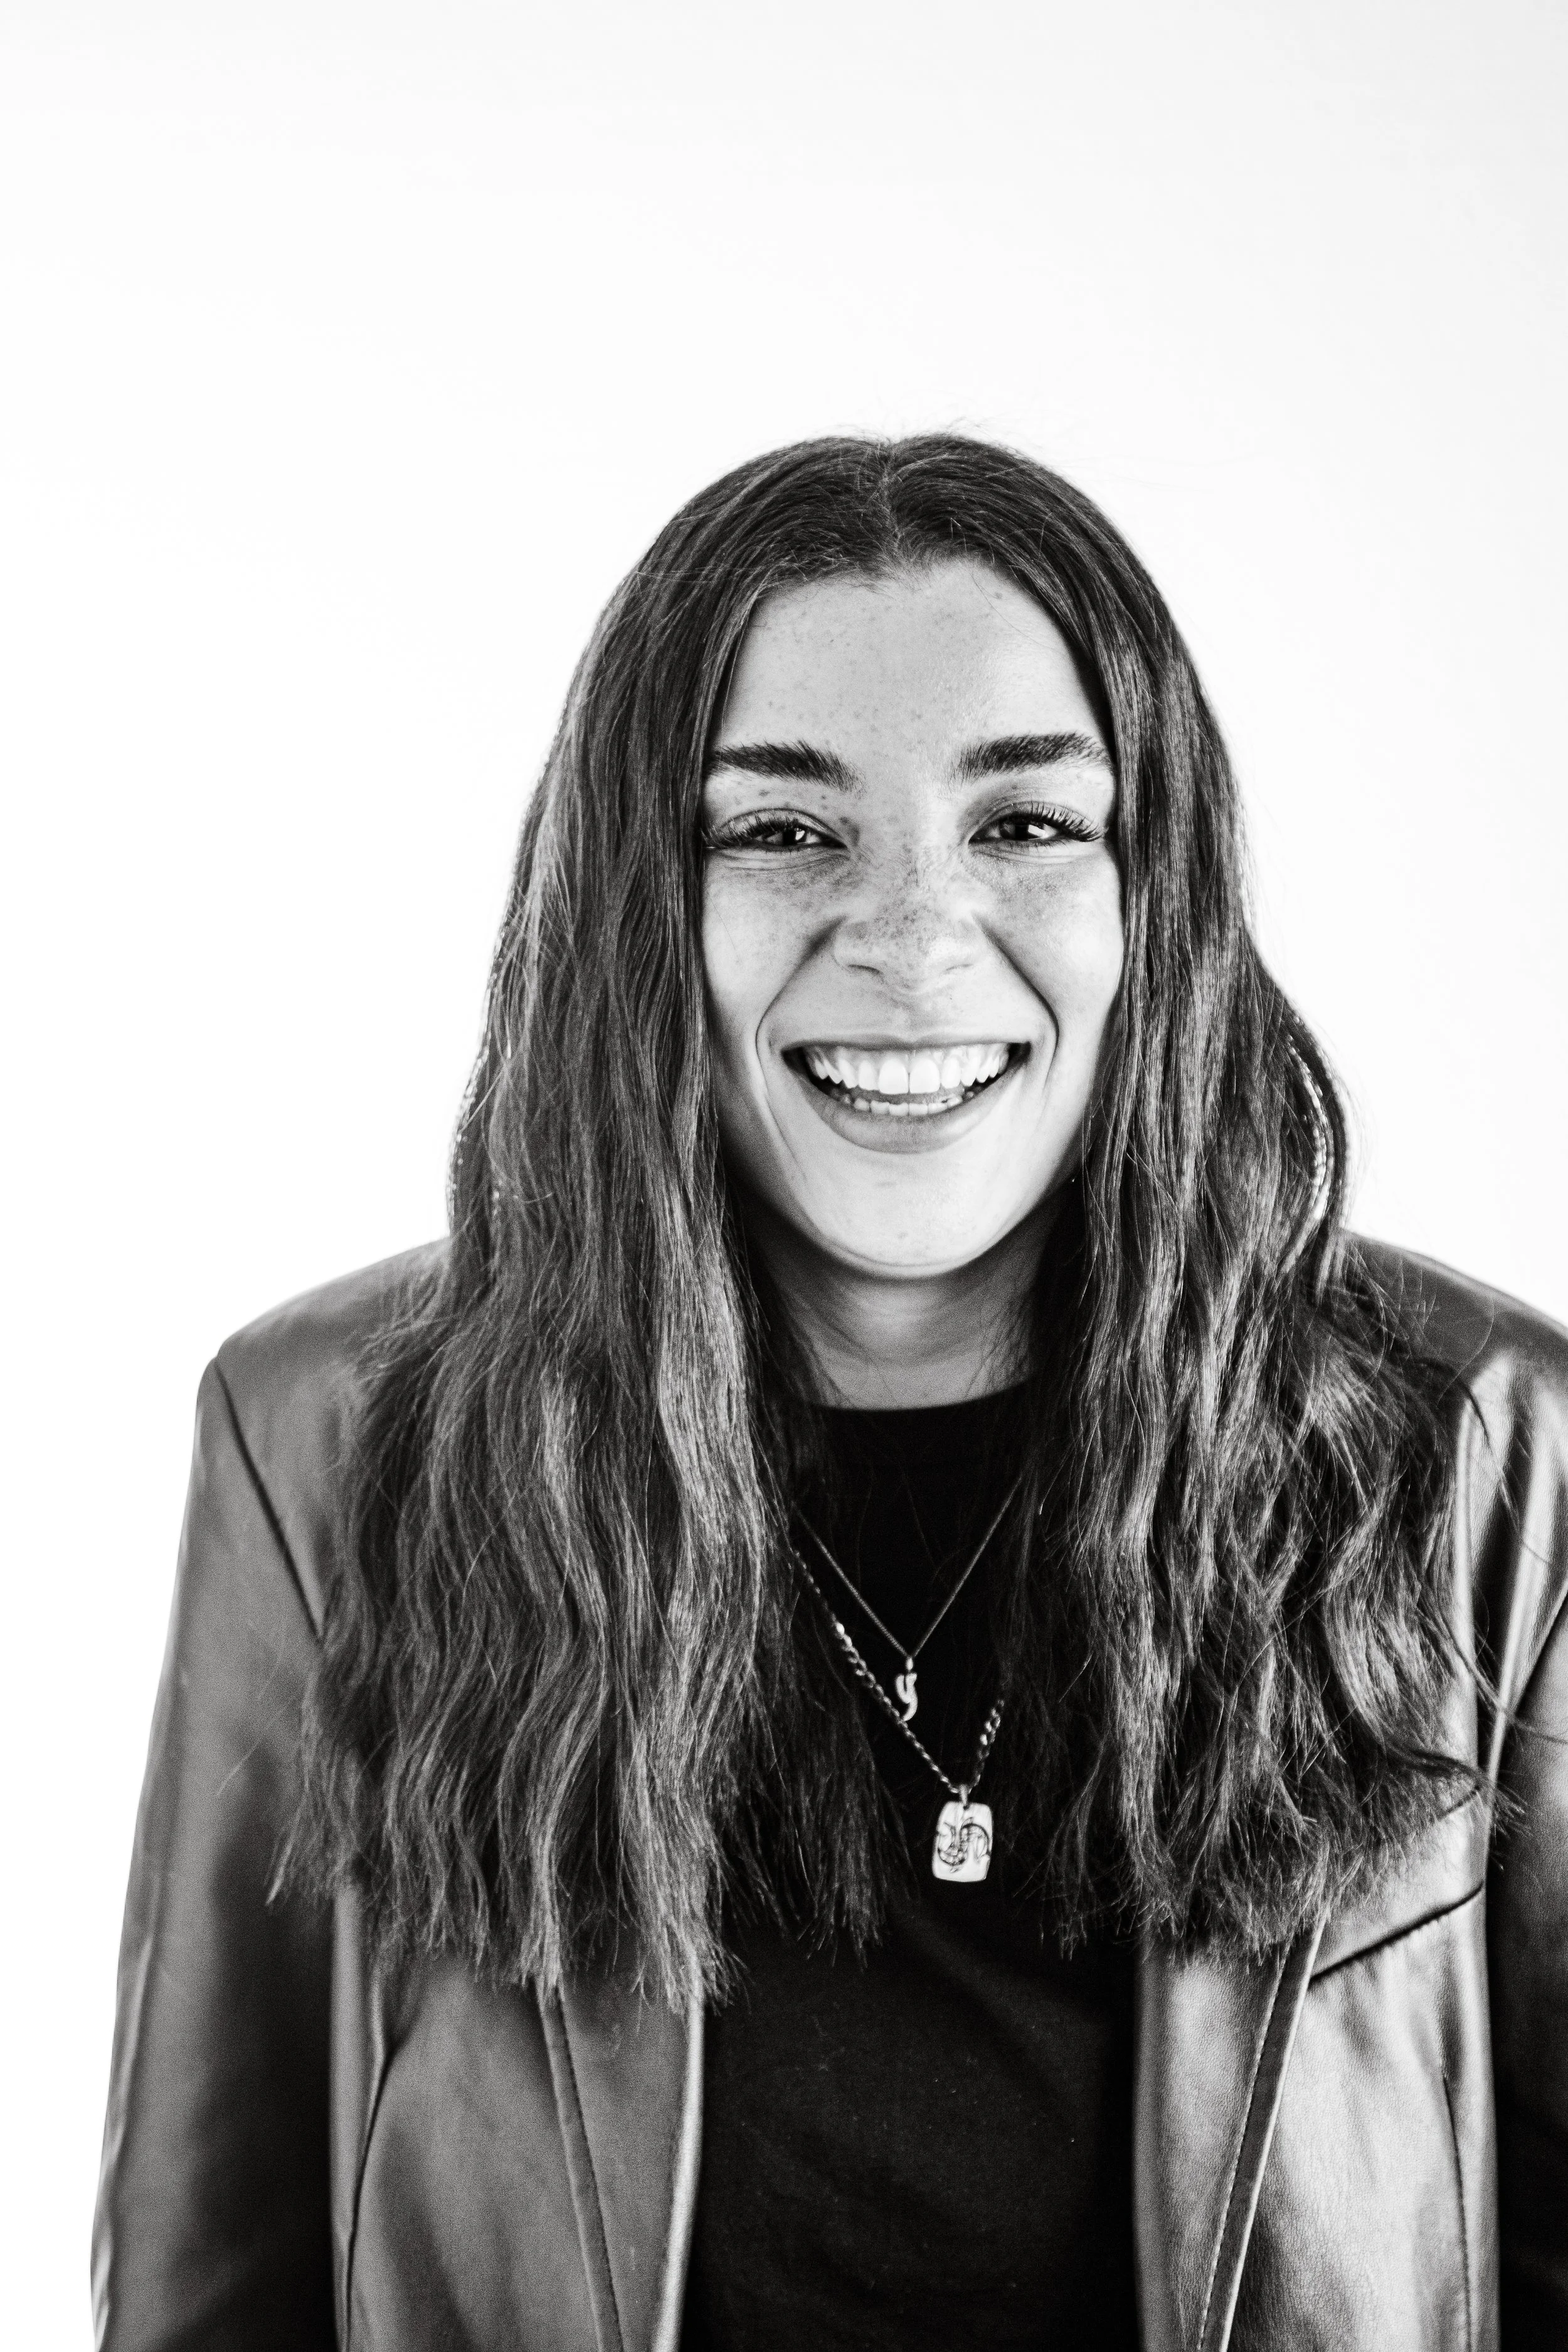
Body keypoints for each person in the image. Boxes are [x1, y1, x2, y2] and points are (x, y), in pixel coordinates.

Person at [93, 434, 1568, 2352]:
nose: (911, 935)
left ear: (1159, 902)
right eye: (783, 831)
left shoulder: (1474, 1450)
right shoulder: (325, 1446)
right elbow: (212, 2286)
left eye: (1025, 826)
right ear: (642, 905)